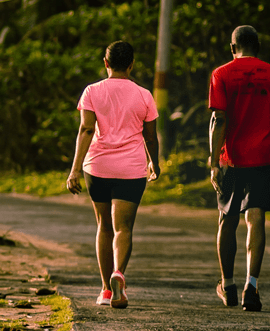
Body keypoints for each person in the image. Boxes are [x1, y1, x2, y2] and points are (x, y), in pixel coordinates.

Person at [66, 40, 160, 309]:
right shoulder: (144, 95)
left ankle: (106, 289)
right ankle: (119, 272)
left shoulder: (92, 91)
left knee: (104, 227)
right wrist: (155, 163)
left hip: (98, 167)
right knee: (124, 228)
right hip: (131, 169)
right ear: (131, 64)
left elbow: (85, 130)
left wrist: (74, 169)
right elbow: (150, 137)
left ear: (106, 63)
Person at [207, 25, 270, 312]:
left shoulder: (221, 74)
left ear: (233, 48)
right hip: (263, 157)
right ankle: (251, 288)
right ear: (258, 45)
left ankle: (228, 286)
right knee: (256, 219)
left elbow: (219, 119)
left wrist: (212, 161)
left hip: (230, 159)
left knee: (226, 220)